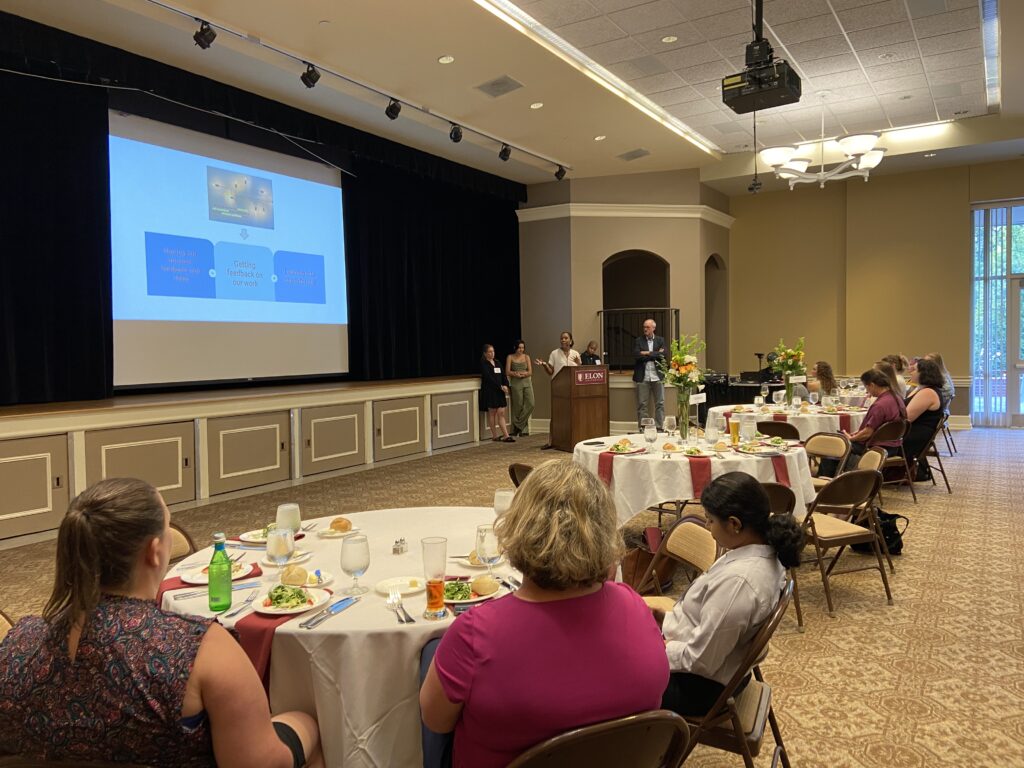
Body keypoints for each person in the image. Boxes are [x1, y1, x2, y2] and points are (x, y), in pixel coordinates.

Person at [0, 478, 323, 768]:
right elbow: (260, 764)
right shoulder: (201, 648)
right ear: (155, 552)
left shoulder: (19, 641)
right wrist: (306, 724)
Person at [419, 460, 669, 768]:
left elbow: (436, 721)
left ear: (517, 528)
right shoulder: (634, 606)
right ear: (605, 532)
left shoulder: (476, 632)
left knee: (432, 651)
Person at [657, 473, 803, 717]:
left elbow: (700, 660)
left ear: (734, 524)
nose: (707, 527)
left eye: (710, 521)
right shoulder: (758, 550)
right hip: (705, 657)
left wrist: (660, 648)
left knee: (607, 668)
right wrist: (667, 621)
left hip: (698, 687)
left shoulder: (739, 583)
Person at [821, 368, 907, 476]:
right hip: (894, 446)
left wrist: (851, 438)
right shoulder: (897, 398)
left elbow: (867, 433)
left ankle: (827, 481)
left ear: (872, 385)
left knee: (832, 447)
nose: (867, 391)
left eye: (867, 387)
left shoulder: (880, 405)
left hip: (875, 447)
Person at [534, 331, 582, 450]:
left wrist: (578, 364)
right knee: (556, 414)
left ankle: (571, 440)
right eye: (561, 338)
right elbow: (551, 371)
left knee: (572, 414)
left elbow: (579, 372)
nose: (563, 340)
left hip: (573, 388)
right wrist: (544, 364)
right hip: (559, 387)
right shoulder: (554, 353)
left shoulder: (575, 354)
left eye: (566, 338)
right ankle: (551, 441)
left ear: (570, 341)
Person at [904, 358, 946, 480]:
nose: (910, 371)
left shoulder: (928, 392)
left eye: (915, 369)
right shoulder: (921, 389)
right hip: (914, 432)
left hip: (914, 436)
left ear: (924, 373)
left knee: (877, 438)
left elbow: (906, 418)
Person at [632, 318, 666, 429]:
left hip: (658, 377)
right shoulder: (638, 340)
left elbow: (663, 355)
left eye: (647, 327)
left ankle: (659, 427)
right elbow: (637, 355)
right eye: (644, 327)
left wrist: (646, 353)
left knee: (660, 404)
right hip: (643, 377)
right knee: (642, 405)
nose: (645, 329)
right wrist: (654, 354)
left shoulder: (660, 340)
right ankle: (644, 428)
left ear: (653, 328)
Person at [479, 344, 513, 442]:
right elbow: (489, 378)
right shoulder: (484, 364)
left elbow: (503, 375)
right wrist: (500, 386)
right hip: (490, 391)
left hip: (500, 391)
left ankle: (506, 435)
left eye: (493, 351)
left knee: (501, 412)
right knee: (492, 413)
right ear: (485, 354)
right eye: (489, 352)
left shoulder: (497, 362)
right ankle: (494, 435)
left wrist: (506, 385)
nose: (492, 353)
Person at [505, 340, 534, 437]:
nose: (521, 350)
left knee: (531, 403)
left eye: (522, 348)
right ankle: (523, 430)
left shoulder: (527, 357)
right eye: (519, 348)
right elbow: (507, 371)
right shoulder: (510, 357)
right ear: (515, 348)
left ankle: (518, 426)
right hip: (516, 383)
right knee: (518, 406)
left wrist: (524, 374)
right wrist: (515, 374)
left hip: (527, 382)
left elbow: (530, 372)